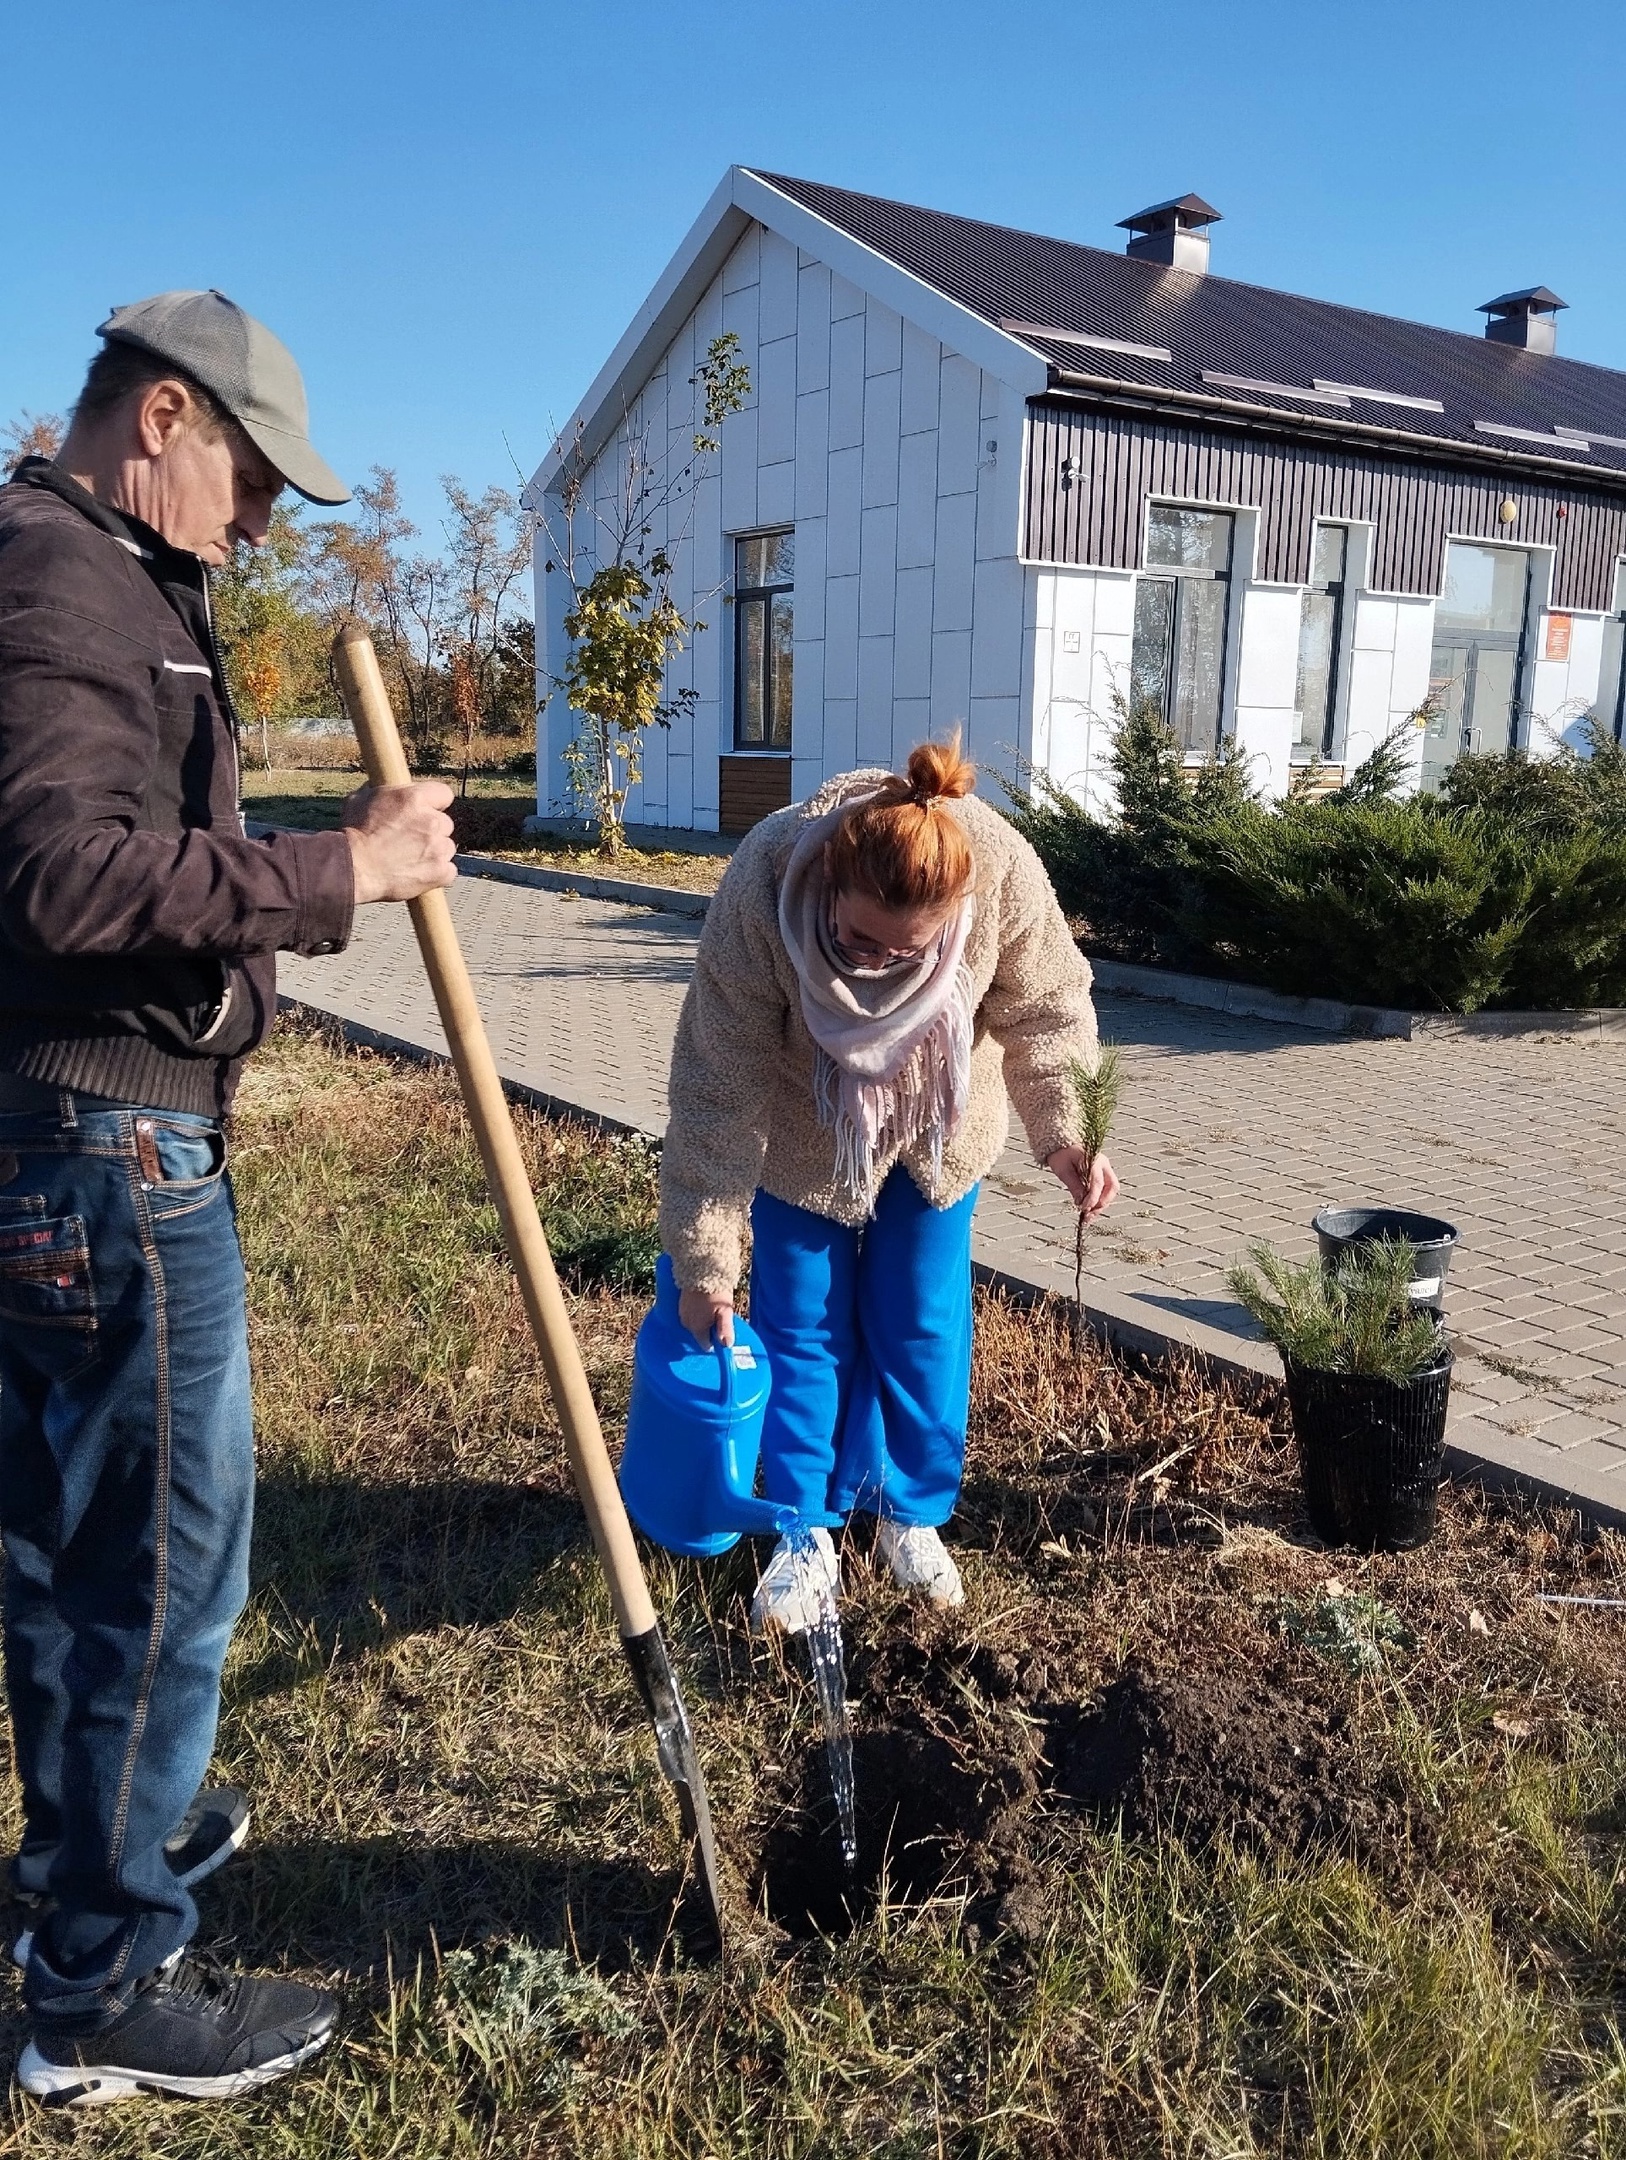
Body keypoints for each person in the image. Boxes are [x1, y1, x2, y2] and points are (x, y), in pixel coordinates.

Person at [0, 291, 456, 2105]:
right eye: (253, 478)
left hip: (79, 1145)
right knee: (166, 1574)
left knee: (78, 1560)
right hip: (110, 1159)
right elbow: (59, 877)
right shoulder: (59, 578)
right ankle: (101, 1992)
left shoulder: (98, 570)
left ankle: (108, 1853)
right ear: (165, 413)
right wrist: (339, 865)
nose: (262, 521)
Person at [659, 738, 1117, 1634]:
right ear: (829, 877)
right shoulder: (764, 878)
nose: (873, 963)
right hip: (805, 1133)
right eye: (858, 939)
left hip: (943, 1130)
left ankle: (907, 1510)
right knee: (802, 1328)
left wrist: (1067, 1135)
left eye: (906, 950)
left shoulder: (1000, 870)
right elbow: (716, 1083)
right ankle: (804, 1528)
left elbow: (1049, 1006)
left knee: (920, 1322)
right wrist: (705, 1263)